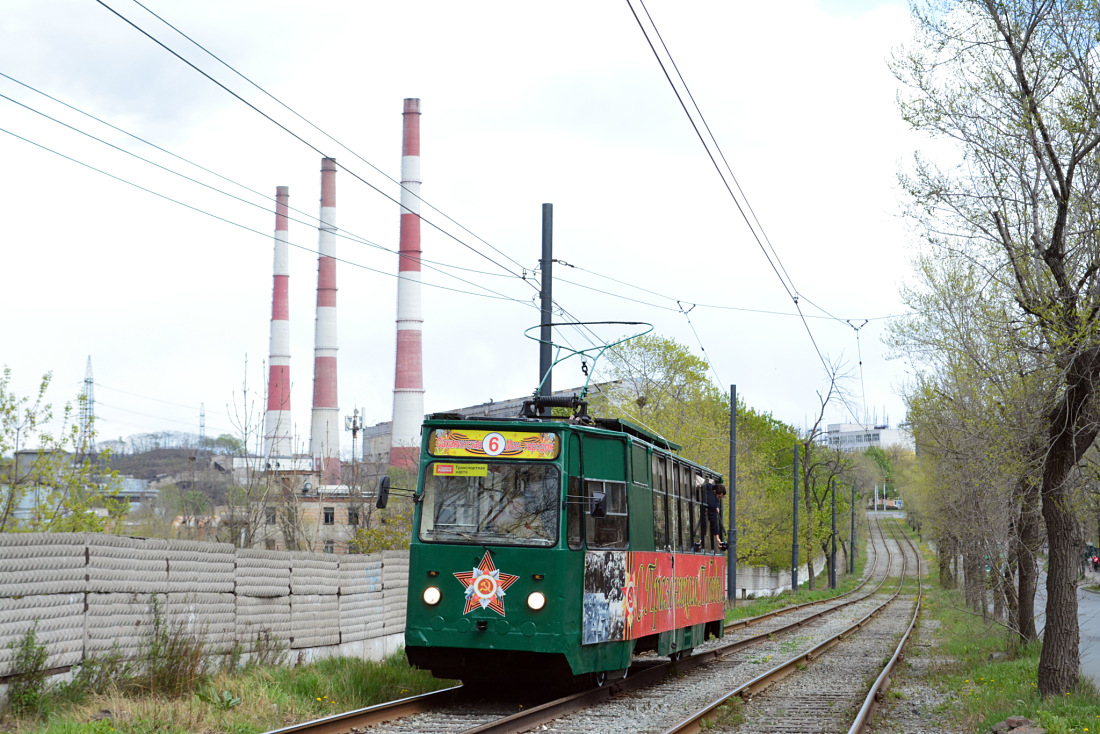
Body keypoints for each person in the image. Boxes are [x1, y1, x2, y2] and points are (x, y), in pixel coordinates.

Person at [702, 480, 728, 552]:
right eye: (719, 497)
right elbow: (714, 522)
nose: (719, 499)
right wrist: (717, 538)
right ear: (715, 491)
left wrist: (717, 506)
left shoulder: (709, 487)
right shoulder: (713, 502)